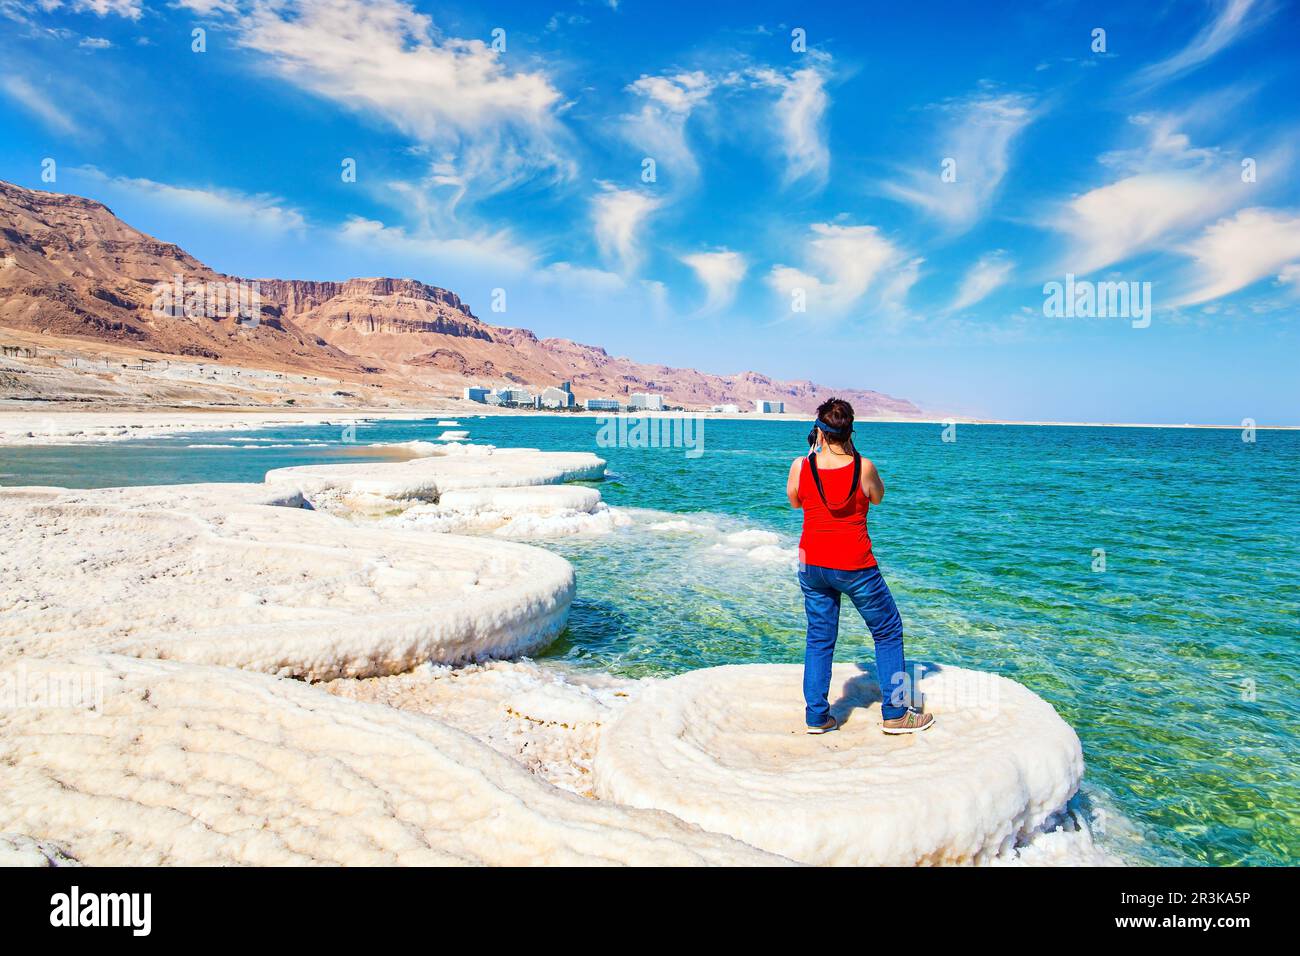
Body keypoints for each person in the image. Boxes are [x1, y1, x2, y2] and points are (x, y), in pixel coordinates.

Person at [786, 398, 934, 735]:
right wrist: (851, 453)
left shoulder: (800, 465)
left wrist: (815, 456)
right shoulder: (863, 467)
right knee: (887, 630)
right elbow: (878, 497)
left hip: (812, 565)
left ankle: (817, 717)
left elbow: (795, 501)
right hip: (855, 565)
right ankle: (896, 713)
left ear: (818, 433)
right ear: (850, 431)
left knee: (819, 638)